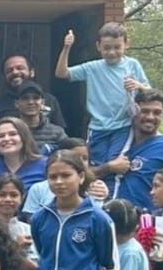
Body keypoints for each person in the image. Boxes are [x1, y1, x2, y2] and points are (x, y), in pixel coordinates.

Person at [55, 24, 151, 165]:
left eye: (117, 47)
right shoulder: (92, 67)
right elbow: (61, 73)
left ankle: (112, 187)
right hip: (98, 127)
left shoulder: (133, 65)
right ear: (98, 46)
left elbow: (150, 91)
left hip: (123, 125)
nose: (112, 52)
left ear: (126, 44)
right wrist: (67, 47)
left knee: (116, 162)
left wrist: (139, 86)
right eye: (107, 48)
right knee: (96, 164)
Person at [0, 53, 66, 128]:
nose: (15, 72)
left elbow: (60, 132)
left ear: (32, 72)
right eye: (9, 70)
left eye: (20, 68)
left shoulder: (50, 100)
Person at [0, 117, 47, 190]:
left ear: (24, 137)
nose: (6, 139)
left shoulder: (45, 165)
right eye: (1, 136)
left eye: (13, 134)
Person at [13, 84, 67, 152]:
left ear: (43, 102)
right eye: (25, 98)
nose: (31, 102)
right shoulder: (9, 133)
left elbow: (68, 158)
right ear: (16, 103)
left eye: (36, 98)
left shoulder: (57, 133)